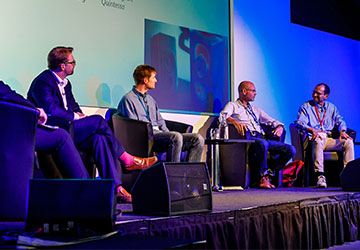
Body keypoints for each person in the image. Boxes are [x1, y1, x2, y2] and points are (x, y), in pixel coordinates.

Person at [27, 47, 158, 203]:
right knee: (98, 121)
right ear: (63, 66)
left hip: (70, 128)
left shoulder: (66, 84)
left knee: (99, 139)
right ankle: (127, 159)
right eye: (72, 62)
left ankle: (117, 189)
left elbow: (73, 106)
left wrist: (80, 115)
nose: (75, 64)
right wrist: (76, 116)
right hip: (56, 131)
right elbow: (50, 110)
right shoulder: (43, 81)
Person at [1, 80, 89, 179]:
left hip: (12, 128)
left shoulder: (67, 85)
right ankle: (87, 188)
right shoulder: (44, 81)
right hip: (9, 131)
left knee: (98, 137)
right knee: (62, 137)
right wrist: (35, 109)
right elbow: (9, 95)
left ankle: (57, 189)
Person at [117, 64, 204, 162]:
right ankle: (174, 175)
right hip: (146, 138)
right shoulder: (128, 99)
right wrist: (171, 136)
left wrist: (168, 134)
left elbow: (160, 121)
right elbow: (132, 127)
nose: (156, 80)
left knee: (197, 139)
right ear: (145, 80)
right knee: (176, 137)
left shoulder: (150, 100)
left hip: (160, 136)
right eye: (153, 77)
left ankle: (190, 175)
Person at [221, 81, 295, 189]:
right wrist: (234, 122)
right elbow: (222, 117)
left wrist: (280, 126)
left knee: (291, 149)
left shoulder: (256, 110)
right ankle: (263, 176)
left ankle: (270, 172)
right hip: (249, 139)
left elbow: (271, 121)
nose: (255, 93)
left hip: (262, 138)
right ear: (244, 91)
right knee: (263, 144)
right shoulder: (233, 106)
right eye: (253, 91)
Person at [294, 83, 354, 188]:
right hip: (315, 137)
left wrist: (342, 130)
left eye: (318, 93)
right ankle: (320, 176)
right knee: (318, 140)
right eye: (314, 92)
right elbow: (299, 122)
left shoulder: (332, 107)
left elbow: (340, 121)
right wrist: (311, 129)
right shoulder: (306, 107)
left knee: (348, 142)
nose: (315, 95)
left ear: (326, 96)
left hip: (329, 138)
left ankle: (348, 175)